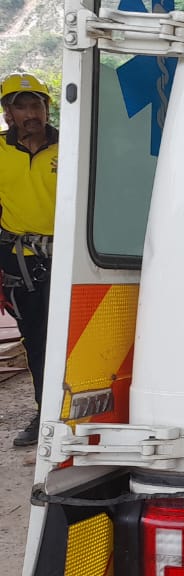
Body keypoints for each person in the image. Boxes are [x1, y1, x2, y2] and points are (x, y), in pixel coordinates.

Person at [0, 73, 58, 448]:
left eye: (35, 104)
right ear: (8, 114)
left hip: (72, 257)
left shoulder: (71, 146)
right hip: (20, 262)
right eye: (20, 106)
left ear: (47, 108)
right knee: (36, 341)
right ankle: (46, 413)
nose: (30, 113)